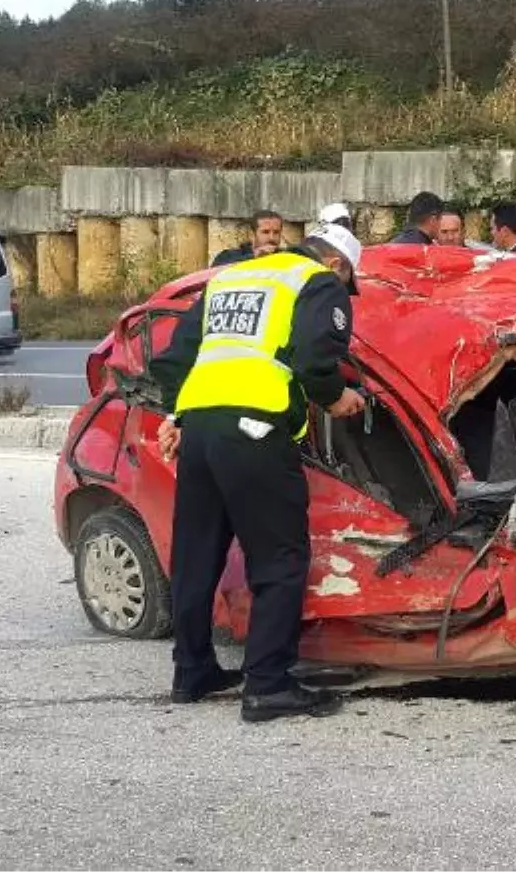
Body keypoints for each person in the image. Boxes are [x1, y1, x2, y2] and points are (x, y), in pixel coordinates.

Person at [151, 222, 367, 724]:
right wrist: (338, 398)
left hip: (201, 430)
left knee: (196, 555)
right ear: (337, 264)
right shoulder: (317, 282)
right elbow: (316, 362)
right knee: (280, 559)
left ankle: (192, 671)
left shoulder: (230, 278)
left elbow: (172, 361)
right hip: (257, 432)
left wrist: (176, 417)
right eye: (348, 279)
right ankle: (268, 686)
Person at [210, 209, 284, 267]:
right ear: (252, 234)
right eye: (265, 232)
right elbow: (215, 272)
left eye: (276, 232)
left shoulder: (285, 257)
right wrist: (254, 256)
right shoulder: (228, 256)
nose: (271, 238)